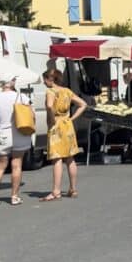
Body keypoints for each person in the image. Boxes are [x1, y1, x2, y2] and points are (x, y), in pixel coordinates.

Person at [0, 73, 32, 206]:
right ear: (11, 82)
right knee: (17, 165)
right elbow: (31, 116)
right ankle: (14, 197)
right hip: (20, 134)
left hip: (3, 134)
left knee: (0, 166)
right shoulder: (22, 97)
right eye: (14, 79)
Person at [41, 69, 85, 201]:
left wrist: (52, 118)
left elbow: (49, 106)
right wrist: (72, 118)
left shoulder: (51, 91)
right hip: (67, 124)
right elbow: (83, 104)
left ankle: (56, 191)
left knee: (57, 158)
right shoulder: (67, 91)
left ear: (50, 79)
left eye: (45, 79)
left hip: (56, 126)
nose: (44, 82)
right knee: (70, 158)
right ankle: (73, 188)